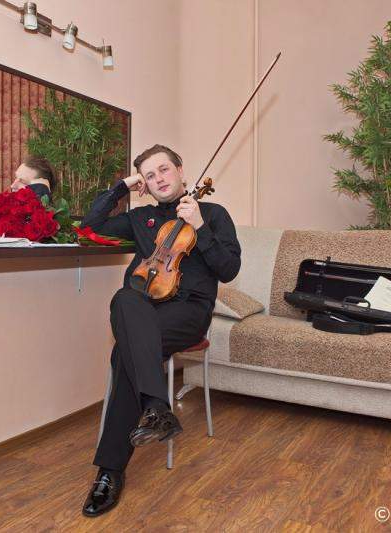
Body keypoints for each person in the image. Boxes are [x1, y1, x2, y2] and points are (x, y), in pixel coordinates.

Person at [80, 144, 241, 517]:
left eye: (164, 170)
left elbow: (229, 269)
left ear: (181, 170)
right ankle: (156, 408)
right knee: (124, 298)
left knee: (125, 354)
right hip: (143, 308)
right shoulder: (141, 217)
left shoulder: (213, 214)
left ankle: (109, 473)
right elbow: (89, 227)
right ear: (145, 184)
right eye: (149, 176)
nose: (159, 179)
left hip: (188, 312)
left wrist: (199, 227)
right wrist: (122, 186)